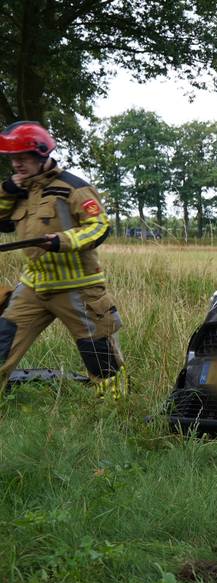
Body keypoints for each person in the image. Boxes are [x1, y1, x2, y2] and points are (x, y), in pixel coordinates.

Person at [0, 121, 127, 398]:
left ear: (42, 154)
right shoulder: (17, 191)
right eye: (12, 159)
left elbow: (99, 226)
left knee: (101, 358)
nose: (17, 165)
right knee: (2, 343)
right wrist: (8, 190)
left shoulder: (74, 188)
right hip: (33, 286)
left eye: (23, 158)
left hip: (78, 287)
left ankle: (117, 412)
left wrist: (63, 241)